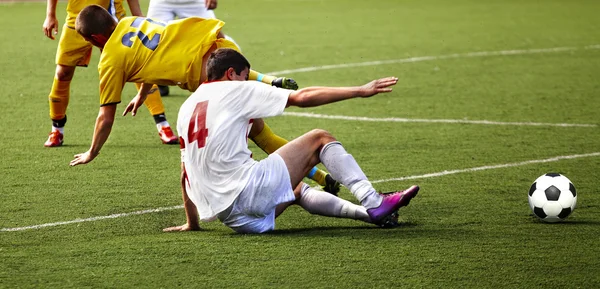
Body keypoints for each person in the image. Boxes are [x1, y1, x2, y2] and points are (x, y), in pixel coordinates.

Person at [69, 5, 339, 195]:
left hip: (213, 81)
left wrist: (93, 151)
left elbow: (105, 116)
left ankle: (313, 176)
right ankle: (266, 81)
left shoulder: (109, 60)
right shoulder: (129, 23)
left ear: (94, 38)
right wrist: (142, 93)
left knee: (260, 135)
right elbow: (153, 55)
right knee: (260, 129)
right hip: (220, 45)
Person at [163, 48, 420, 233]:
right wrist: (360, 91)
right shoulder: (236, 88)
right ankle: (374, 202)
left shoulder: (187, 107)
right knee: (320, 138)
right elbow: (302, 96)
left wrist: (192, 223)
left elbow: (186, 171)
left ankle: (372, 217)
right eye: (245, 76)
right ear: (231, 74)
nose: (246, 81)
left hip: (231, 217)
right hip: (248, 194)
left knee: (295, 189)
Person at [42, 0, 178, 147]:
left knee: (136, 67)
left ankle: (162, 123)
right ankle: (57, 129)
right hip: (77, 18)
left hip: (112, 18)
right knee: (63, 73)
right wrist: (50, 14)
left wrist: (138, 15)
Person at [146, 0, 231, 96]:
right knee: (152, 41)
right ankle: (159, 80)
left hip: (194, 2)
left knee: (216, 36)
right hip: (161, 2)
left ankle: (224, 77)